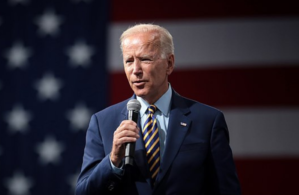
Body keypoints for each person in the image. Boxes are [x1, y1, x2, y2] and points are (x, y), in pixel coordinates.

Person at [76, 24, 241, 195]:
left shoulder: (208, 121)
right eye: (129, 61)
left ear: (169, 63)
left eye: (145, 59)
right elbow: (84, 192)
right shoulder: (102, 122)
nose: (136, 70)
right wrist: (113, 160)